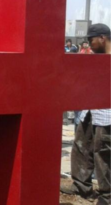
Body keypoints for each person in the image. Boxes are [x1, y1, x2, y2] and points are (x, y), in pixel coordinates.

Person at [61, 24, 110, 204]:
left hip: (107, 113)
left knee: (102, 152)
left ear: (102, 38)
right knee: (81, 145)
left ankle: (107, 194)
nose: (89, 45)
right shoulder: (94, 58)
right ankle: (81, 185)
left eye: (91, 41)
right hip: (90, 109)